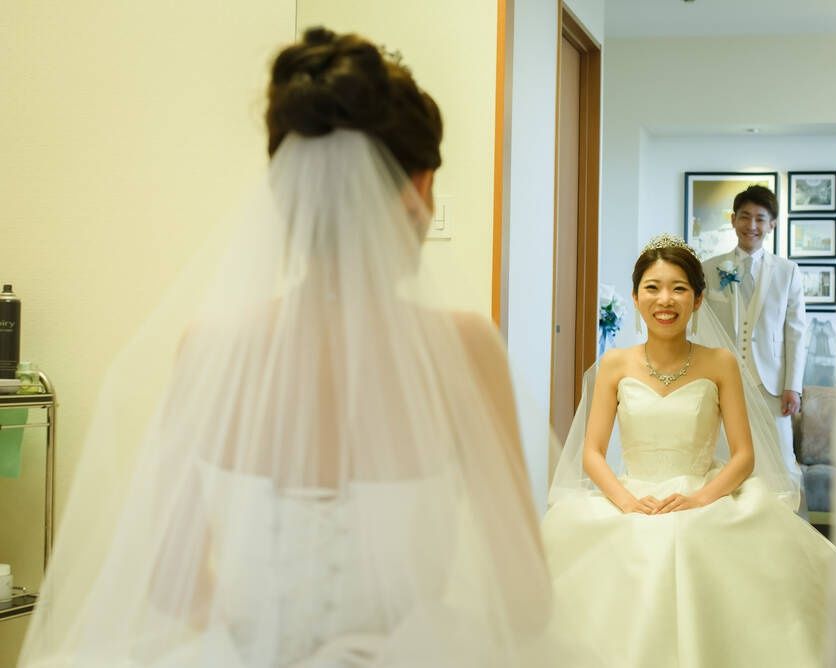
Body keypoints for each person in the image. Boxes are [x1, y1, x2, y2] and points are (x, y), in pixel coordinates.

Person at [19, 28, 588, 667]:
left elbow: (172, 581)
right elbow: (525, 602)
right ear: (421, 186)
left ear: (286, 189)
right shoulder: (464, 349)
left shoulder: (208, 346)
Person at [543, 234, 836, 668]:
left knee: (693, 541)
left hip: (704, 493)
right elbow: (592, 453)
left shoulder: (720, 363)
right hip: (633, 495)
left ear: (698, 300)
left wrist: (700, 499)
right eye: (653, 287)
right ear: (636, 297)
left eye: (678, 288)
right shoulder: (615, 365)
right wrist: (627, 502)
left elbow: (743, 456)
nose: (665, 299)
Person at [701, 185, 807, 487]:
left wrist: (793, 386)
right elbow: (700, 327)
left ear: (772, 224)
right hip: (722, 380)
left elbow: (796, 332)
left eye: (760, 218)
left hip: (771, 384)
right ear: (733, 220)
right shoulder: (709, 269)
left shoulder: (787, 271)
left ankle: (780, 514)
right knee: (724, 456)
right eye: (745, 217)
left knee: (779, 460)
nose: (752, 225)